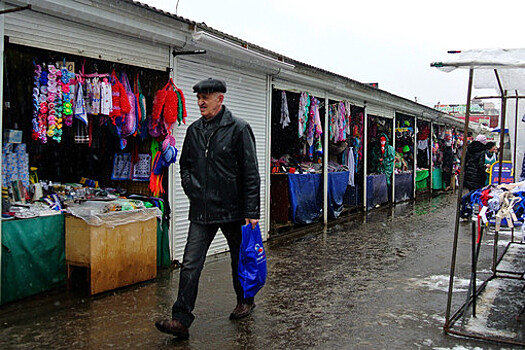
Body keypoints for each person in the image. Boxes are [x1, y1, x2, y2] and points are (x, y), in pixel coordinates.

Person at [155, 78, 261, 339]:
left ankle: (245, 300)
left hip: (233, 210)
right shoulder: (193, 131)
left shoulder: (239, 129)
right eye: (198, 97)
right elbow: (185, 165)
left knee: (240, 258)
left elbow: (251, 173)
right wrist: (193, 189)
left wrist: (252, 212)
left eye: (206, 97)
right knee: (191, 263)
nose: (201, 101)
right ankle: (181, 320)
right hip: (202, 211)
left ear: (220, 99)